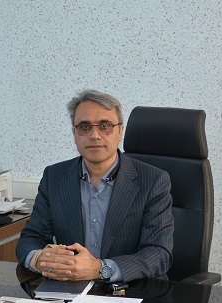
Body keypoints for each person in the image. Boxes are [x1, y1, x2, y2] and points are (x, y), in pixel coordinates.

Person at [16, 89, 174, 283]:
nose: (94, 135)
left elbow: (159, 254)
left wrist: (100, 269)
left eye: (105, 126)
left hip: (133, 290)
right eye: (84, 127)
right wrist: (39, 259)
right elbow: (31, 237)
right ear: (74, 133)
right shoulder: (54, 177)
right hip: (71, 289)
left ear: (120, 132)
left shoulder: (153, 181)